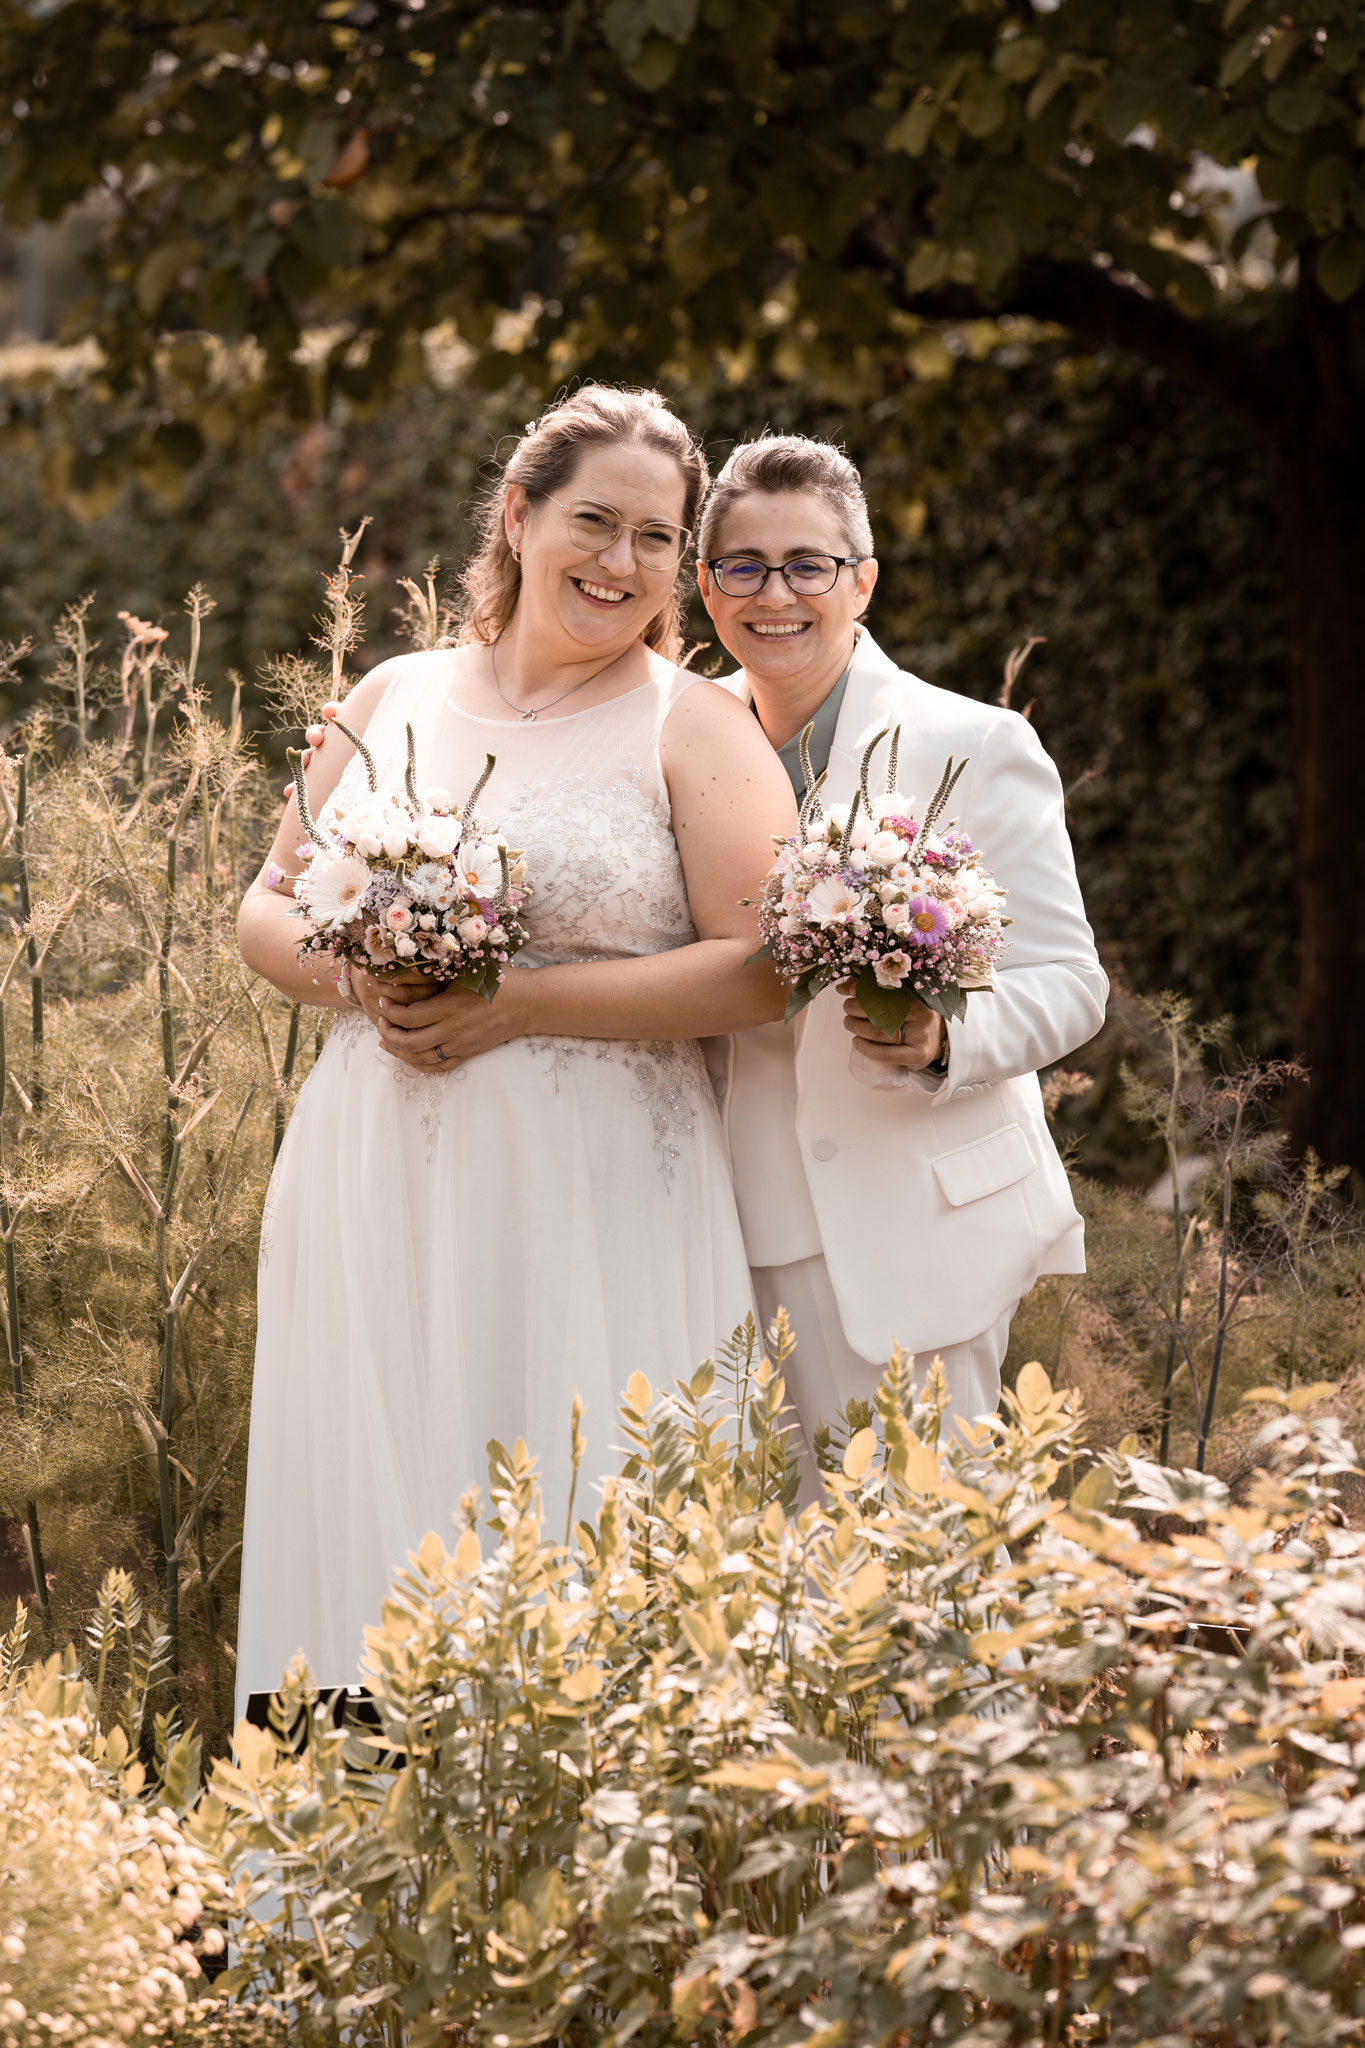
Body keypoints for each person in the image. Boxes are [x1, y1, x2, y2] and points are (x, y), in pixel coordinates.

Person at [234, 386, 795, 1725]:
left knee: (566, 1488)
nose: (619, 563)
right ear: (517, 515)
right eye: (592, 521)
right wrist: (360, 978)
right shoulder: (395, 691)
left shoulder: (695, 724)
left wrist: (522, 1007)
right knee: (371, 1476)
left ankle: (566, 1883)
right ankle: (349, 1883)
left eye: (656, 538)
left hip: (592, 1200)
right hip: (375, 1174)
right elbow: (263, 902)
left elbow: (769, 968)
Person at [695, 434, 1108, 1468]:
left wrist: (942, 1035)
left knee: (934, 1574)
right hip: (733, 1225)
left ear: (863, 580)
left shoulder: (975, 743)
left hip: (928, 1222)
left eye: (809, 565)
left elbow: (1069, 981)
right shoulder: (675, 740)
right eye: (743, 565)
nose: (774, 593)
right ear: (706, 586)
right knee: (771, 1595)